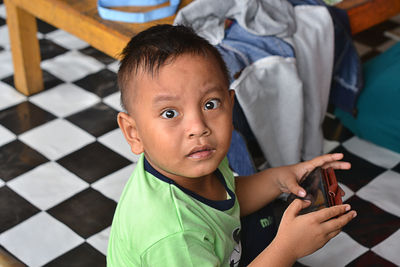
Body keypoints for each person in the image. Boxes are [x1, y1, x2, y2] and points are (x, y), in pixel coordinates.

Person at [107, 24, 357, 267]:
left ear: (230, 104)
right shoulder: (174, 236)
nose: (198, 127)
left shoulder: (191, 160)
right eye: (170, 113)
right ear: (134, 133)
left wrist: (283, 178)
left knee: (263, 217)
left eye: (210, 104)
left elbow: (226, 195)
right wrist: (287, 249)